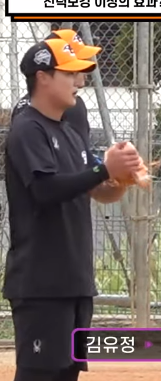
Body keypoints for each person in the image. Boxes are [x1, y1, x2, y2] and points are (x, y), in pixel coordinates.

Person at [4, 38, 143, 381]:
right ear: (43, 77)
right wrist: (103, 169)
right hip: (41, 284)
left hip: (74, 281)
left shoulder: (69, 130)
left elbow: (94, 188)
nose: (79, 81)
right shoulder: (28, 128)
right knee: (39, 374)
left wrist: (120, 178)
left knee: (66, 373)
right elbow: (45, 190)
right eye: (69, 73)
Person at [11, 28, 102, 150]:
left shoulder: (22, 105)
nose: (84, 70)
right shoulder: (70, 105)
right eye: (78, 62)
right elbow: (81, 158)